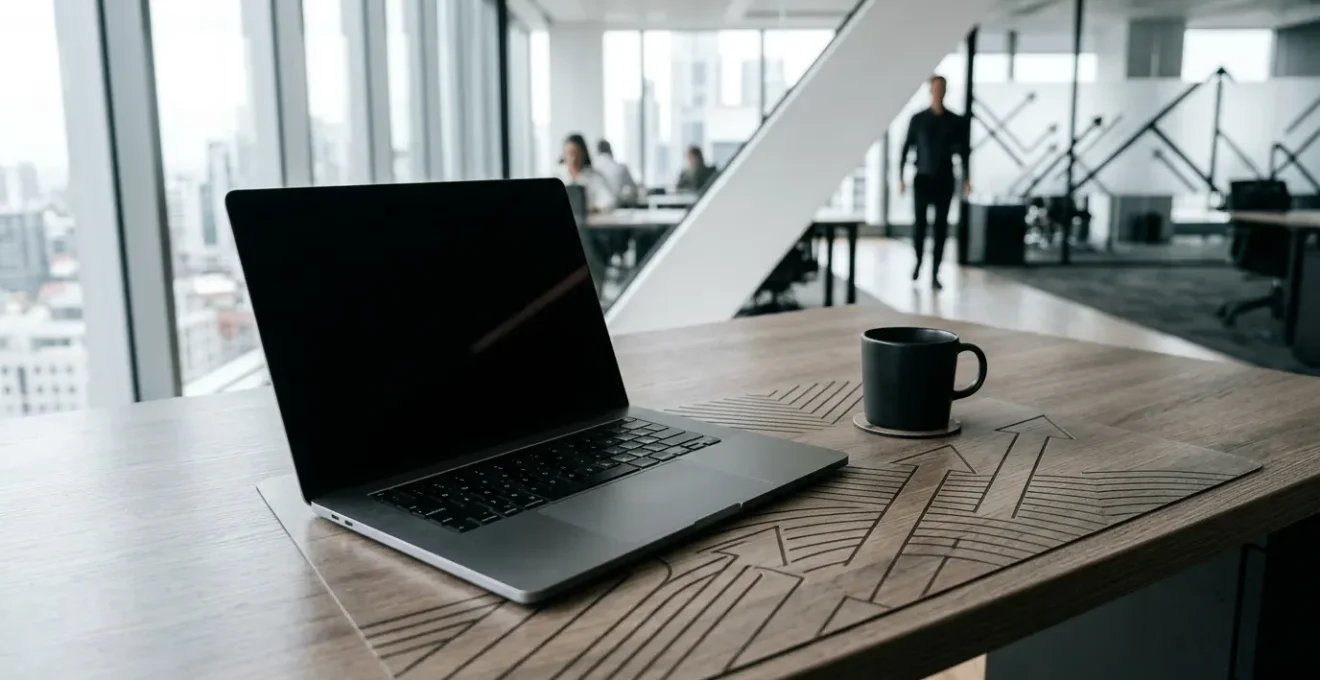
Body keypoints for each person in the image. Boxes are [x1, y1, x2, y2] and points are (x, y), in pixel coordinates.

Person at [899, 74, 970, 290]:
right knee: (919, 225)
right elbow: (905, 148)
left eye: (942, 88)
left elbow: (964, 152)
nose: (938, 92)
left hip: (945, 179)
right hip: (922, 178)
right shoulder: (918, 119)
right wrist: (900, 177)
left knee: (940, 227)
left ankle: (935, 272)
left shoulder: (955, 121)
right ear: (930, 91)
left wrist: (967, 177)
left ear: (945, 91)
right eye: (935, 88)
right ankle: (919, 261)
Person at [555, 133, 617, 212]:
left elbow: (610, 201)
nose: (573, 159)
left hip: (591, 220)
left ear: (584, 154)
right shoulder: (557, 176)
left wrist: (595, 209)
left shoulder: (596, 177)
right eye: (569, 153)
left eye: (576, 154)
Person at [593, 140, 639, 206]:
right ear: (610, 150)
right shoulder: (621, 168)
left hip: (596, 208)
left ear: (597, 152)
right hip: (618, 207)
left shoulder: (592, 168)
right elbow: (634, 189)